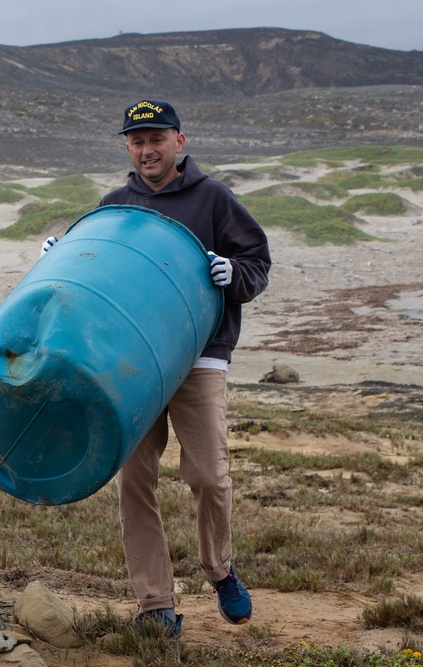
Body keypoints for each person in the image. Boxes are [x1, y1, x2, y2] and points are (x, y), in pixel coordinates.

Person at [42, 100, 271, 637]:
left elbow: (257, 264)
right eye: (137, 140)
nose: (147, 150)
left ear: (179, 142)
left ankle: (219, 569)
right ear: (127, 147)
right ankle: (154, 602)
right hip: (130, 364)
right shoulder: (114, 205)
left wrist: (232, 272)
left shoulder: (213, 198)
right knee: (134, 482)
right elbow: (92, 280)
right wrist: (62, 257)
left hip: (198, 357)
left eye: (157, 139)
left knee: (210, 477)